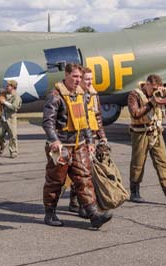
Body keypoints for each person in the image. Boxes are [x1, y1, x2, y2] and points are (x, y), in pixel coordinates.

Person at [42, 63, 112, 229]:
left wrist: (90, 142)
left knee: (84, 178)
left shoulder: (82, 95)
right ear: (66, 75)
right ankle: (50, 213)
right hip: (61, 146)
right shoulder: (55, 96)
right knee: (55, 181)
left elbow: (85, 122)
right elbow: (48, 121)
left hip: (79, 144)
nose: (77, 80)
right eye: (74, 77)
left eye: (80, 77)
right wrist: (54, 140)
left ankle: (93, 214)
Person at [128, 74, 166, 205]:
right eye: (153, 88)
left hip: (156, 131)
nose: (155, 91)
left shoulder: (159, 93)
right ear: (147, 84)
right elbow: (135, 114)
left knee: (162, 162)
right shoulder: (135, 95)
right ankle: (134, 192)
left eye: (157, 88)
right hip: (140, 133)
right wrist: (151, 103)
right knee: (138, 163)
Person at [67, 67, 108, 217]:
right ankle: (80, 204)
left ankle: (79, 203)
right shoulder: (75, 95)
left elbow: (98, 116)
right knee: (81, 172)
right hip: (81, 138)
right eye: (87, 79)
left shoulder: (93, 94)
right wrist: (86, 140)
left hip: (92, 137)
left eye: (91, 79)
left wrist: (102, 136)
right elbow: (80, 121)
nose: (90, 82)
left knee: (86, 172)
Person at [0, 80, 22, 158]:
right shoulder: (4, 93)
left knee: (13, 136)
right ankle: (2, 144)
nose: (7, 86)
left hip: (11, 119)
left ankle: (13, 151)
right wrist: (1, 90)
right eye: (7, 85)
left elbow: (14, 107)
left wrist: (4, 102)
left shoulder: (16, 97)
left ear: (13, 87)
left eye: (9, 85)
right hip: (2, 119)